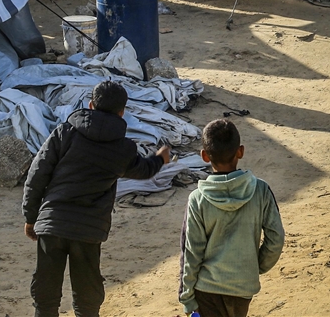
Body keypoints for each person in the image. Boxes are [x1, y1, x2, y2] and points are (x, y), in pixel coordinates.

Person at [22, 80, 169, 317]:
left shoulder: (65, 133)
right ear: (122, 112)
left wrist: (31, 217)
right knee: (87, 301)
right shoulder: (123, 149)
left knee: (45, 298)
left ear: (91, 105)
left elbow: (37, 174)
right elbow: (143, 170)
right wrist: (160, 159)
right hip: (88, 231)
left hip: (53, 223)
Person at [179, 119, 285, 317]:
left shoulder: (197, 199)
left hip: (206, 290)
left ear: (204, 156)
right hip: (242, 289)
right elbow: (276, 239)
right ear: (240, 151)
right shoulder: (261, 190)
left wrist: (187, 298)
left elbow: (191, 252)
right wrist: (254, 267)